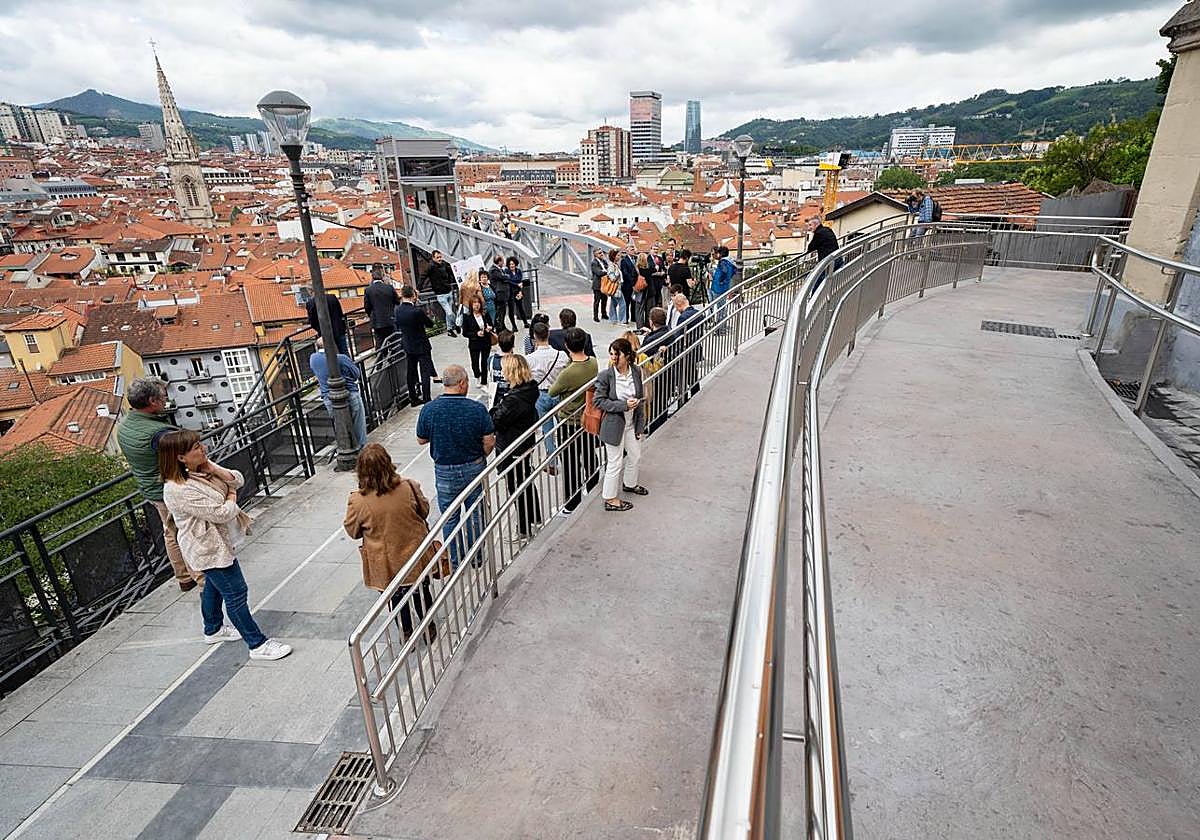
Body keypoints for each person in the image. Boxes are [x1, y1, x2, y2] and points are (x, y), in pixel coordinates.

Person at [159, 430, 291, 661]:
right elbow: (221, 512)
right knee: (235, 592)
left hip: (217, 542)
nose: (203, 448)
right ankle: (257, 644)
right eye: (196, 447)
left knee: (213, 585)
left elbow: (237, 479)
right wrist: (231, 495)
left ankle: (213, 629)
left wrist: (214, 468)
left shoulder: (200, 470)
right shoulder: (178, 489)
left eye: (200, 444)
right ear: (180, 457)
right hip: (207, 548)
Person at [343, 443, 440, 641]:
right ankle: (428, 626)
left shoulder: (358, 501)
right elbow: (424, 511)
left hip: (386, 562)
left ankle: (406, 632)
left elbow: (353, 532)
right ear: (388, 463)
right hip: (415, 554)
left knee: (396, 598)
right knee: (422, 591)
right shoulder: (409, 487)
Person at [117, 377, 203, 592]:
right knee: (186, 531)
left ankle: (184, 577)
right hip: (168, 489)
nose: (166, 400)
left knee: (170, 531)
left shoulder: (125, 425)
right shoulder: (159, 434)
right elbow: (184, 459)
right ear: (152, 401)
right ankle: (200, 576)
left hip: (150, 488)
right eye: (163, 397)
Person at [416, 365, 496, 568]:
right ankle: (476, 557)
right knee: (475, 512)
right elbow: (489, 441)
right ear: (461, 383)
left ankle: (455, 560)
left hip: (444, 470)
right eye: (467, 382)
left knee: (449, 517)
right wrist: (481, 456)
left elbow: (421, 439)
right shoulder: (476, 409)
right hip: (473, 467)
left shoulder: (429, 409)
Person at [489, 355, 543, 537]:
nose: (502, 372)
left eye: (504, 369)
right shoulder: (529, 389)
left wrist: (494, 409)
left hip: (513, 445)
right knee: (525, 480)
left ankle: (524, 527)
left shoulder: (514, 399)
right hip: (523, 442)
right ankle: (534, 517)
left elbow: (496, 420)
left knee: (516, 486)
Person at [548, 328, 599, 514]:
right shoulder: (593, 363)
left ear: (567, 346)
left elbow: (552, 392)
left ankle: (571, 504)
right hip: (588, 417)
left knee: (570, 463)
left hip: (570, 422)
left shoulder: (567, 373)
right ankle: (593, 489)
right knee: (589, 456)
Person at [594, 338, 647, 512]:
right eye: (611, 354)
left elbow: (641, 398)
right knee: (615, 462)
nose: (613, 358)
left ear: (628, 356)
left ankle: (629, 484)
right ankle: (610, 499)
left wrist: (640, 425)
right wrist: (623, 405)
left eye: (617, 354)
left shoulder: (636, 371)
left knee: (635, 455)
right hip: (613, 425)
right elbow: (599, 401)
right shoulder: (606, 376)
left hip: (632, 423)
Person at [310, 339, 368, 451]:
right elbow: (356, 374)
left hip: (328, 398)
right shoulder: (341, 358)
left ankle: (345, 447)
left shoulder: (313, 359)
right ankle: (360, 448)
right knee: (358, 424)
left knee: (340, 425)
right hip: (350, 393)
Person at [527, 320, 569, 470]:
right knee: (564, 426)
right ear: (548, 334)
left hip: (541, 395)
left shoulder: (530, 359)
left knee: (547, 430)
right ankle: (567, 454)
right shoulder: (561, 355)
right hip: (558, 393)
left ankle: (552, 461)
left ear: (534, 336)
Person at [394, 285, 436, 405]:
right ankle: (426, 397)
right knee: (425, 372)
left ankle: (413, 398)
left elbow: (397, 325)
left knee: (411, 372)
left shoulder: (397, 310)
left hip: (408, 345)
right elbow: (430, 324)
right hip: (421, 345)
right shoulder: (417, 311)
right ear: (413, 296)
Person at [641, 307, 672, 435]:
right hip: (667, 376)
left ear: (651, 321)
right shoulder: (669, 332)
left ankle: (654, 431)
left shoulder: (652, 340)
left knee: (655, 407)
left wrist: (649, 336)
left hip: (654, 379)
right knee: (662, 405)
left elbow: (642, 354)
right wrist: (650, 333)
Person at [363, 263, 400, 350]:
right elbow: (397, 301)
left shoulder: (368, 290)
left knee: (380, 345)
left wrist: (372, 315)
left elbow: (367, 307)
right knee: (395, 342)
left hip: (377, 322)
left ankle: (382, 358)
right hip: (390, 320)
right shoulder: (389, 287)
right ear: (382, 276)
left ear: (372, 277)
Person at [423, 250, 459, 337]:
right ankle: (456, 325)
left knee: (448, 312)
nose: (440, 259)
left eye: (440, 257)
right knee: (450, 313)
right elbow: (423, 276)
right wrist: (418, 288)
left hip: (448, 292)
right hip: (441, 295)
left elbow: (451, 271)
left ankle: (449, 330)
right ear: (433, 258)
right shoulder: (431, 267)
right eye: (437, 257)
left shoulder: (444, 265)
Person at [461, 297, 495, 386]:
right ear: (471, 305)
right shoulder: (467, 316)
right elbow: (465, 333)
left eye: (478, 302)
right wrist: (476, 334)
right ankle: (477, 377)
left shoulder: (485, 314)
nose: (477, 305)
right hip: (474, 343)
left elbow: (491, 325)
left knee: (484, 362)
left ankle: (484, 381)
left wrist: (489, 328)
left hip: (486, 342)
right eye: (474, 303)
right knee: (475, 363)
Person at [305, 289, 349, 355]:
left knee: (330, 354)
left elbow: (312, 322)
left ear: (310, 292)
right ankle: (348, 362)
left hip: (325, 333)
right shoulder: (332, 297)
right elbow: (340, 313)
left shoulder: (311, 303)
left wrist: (320, 330)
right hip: (339, 329)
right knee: (344, 351)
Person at [490, 329, 515, 407]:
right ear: (513, 345)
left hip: (496, 398)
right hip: (512, 398)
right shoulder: (516, 361)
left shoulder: (491, 360)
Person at [488, 255, 513, 332]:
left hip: (503, 295)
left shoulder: (499, 269)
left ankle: (502, 327)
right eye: (502, 261)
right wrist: (506, 277)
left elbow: (504, 278)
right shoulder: (493, 270)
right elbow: (503, 277)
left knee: (503, 312)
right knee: (500, 313)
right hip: (499, 295)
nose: (503, 263)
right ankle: (500, 328)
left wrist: (505, 278)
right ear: (499, 262)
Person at [505, 256, 531, 329]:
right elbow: (508, 281)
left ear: (515, 264)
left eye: (513, 264)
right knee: (511, 310)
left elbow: (520, 281)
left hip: (517, 292)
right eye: (510, 264)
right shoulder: (506, 271)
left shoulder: (518, 271)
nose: (511, 265)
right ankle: (514, 326)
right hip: (510, 293)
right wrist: (516, 284)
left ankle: (525, 323)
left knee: (521, 308)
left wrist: (520, 292)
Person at [606, 248, 627, 325]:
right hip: (616, 288)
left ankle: (613, 319)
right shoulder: (612, 266)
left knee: (613, 304)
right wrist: (617, 273)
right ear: (613, 256)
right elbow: (612, 278)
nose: (619, 257)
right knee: (622, 304)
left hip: (617, 288)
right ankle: (621, 320)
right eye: (618, 255)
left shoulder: (615, 265)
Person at [619, 246, 638, 327]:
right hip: (627, 285)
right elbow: (625, 273)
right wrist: (632, 282)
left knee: (634, 302)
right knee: (627, 302)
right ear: (627, 251)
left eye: (634, 249)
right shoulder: (624, 260)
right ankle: (625, 318)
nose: (633, 251)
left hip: (635, 284)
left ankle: (633, 317)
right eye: (631, 250)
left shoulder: (636, 259)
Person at [590, 250, 609, 322]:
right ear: (595, 254)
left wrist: (605, 271)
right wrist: (606, 271)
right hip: (597, 285)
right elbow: (598, 273)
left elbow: (608, 268)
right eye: (599, 253)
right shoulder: (594, 262)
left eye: (602, 252)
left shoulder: (604, 261)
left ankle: (604, 314)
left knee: (604, 300)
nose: (601, 254)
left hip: (604, 284)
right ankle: (595, 316)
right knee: (597, 301)